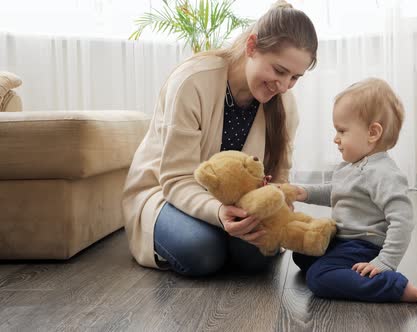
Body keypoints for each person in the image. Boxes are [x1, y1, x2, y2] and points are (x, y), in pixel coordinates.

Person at [122, 0, 318, 277]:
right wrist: (218, 213)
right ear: (252, 47)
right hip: (166, 193)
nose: (284, 86)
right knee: (202, 251)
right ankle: (214, 239)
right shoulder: (192, 83)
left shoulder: (285, 105)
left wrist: (275, 212)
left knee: (258, 256)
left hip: (237, 205)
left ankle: (228, 239)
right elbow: (176, 179)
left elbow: (278, 179)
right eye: (279, 71)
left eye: (295, 77)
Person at [291, 78, 417, 303]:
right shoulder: (353, 165)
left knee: (318, 278)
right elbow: (338, 193)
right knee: (301, 253)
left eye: (342, 131)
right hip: (343, 239)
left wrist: (385, 262)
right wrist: (303, 192)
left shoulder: (383, 172)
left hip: (363, 246)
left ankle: (394, 286)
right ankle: (339, 271)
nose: (335, 138)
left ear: (373, 133)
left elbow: (403, 221)